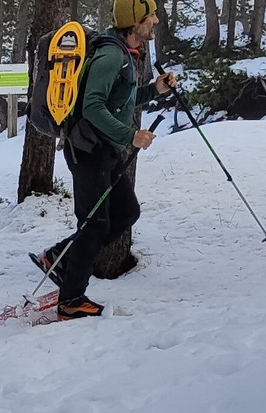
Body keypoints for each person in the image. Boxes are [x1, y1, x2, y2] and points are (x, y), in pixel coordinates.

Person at [36, 0, 177, 320]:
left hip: (105, 151)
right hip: (89, 151)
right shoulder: (112, 56)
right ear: (134, 20)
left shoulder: (124, 52)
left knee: (126, 212)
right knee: (95, 224)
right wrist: (131, 136)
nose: (156, 20)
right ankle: (71, 300)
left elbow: (120, 100)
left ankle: (60, 257)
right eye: (150, 15)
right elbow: (93, 107)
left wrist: (154, 90)